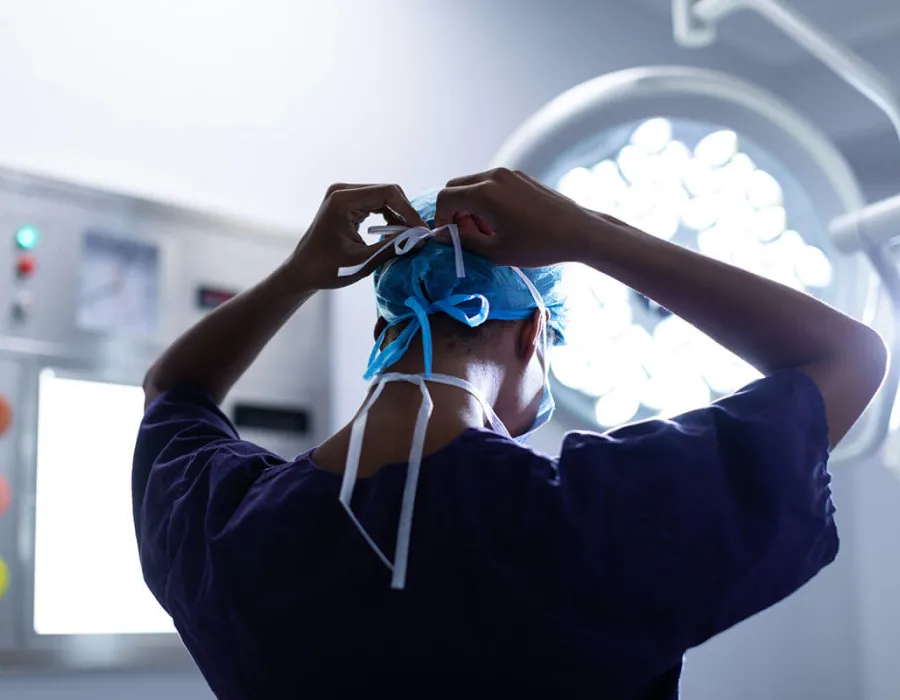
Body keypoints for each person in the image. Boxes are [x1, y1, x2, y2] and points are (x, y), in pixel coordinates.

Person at [132, 170, 888, 699]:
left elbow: (173, 389)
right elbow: (851, 357)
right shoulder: (596, 517)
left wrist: (298, 273)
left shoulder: (226, 527)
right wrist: (591, 236)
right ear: (534, 334)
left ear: (381, 329)